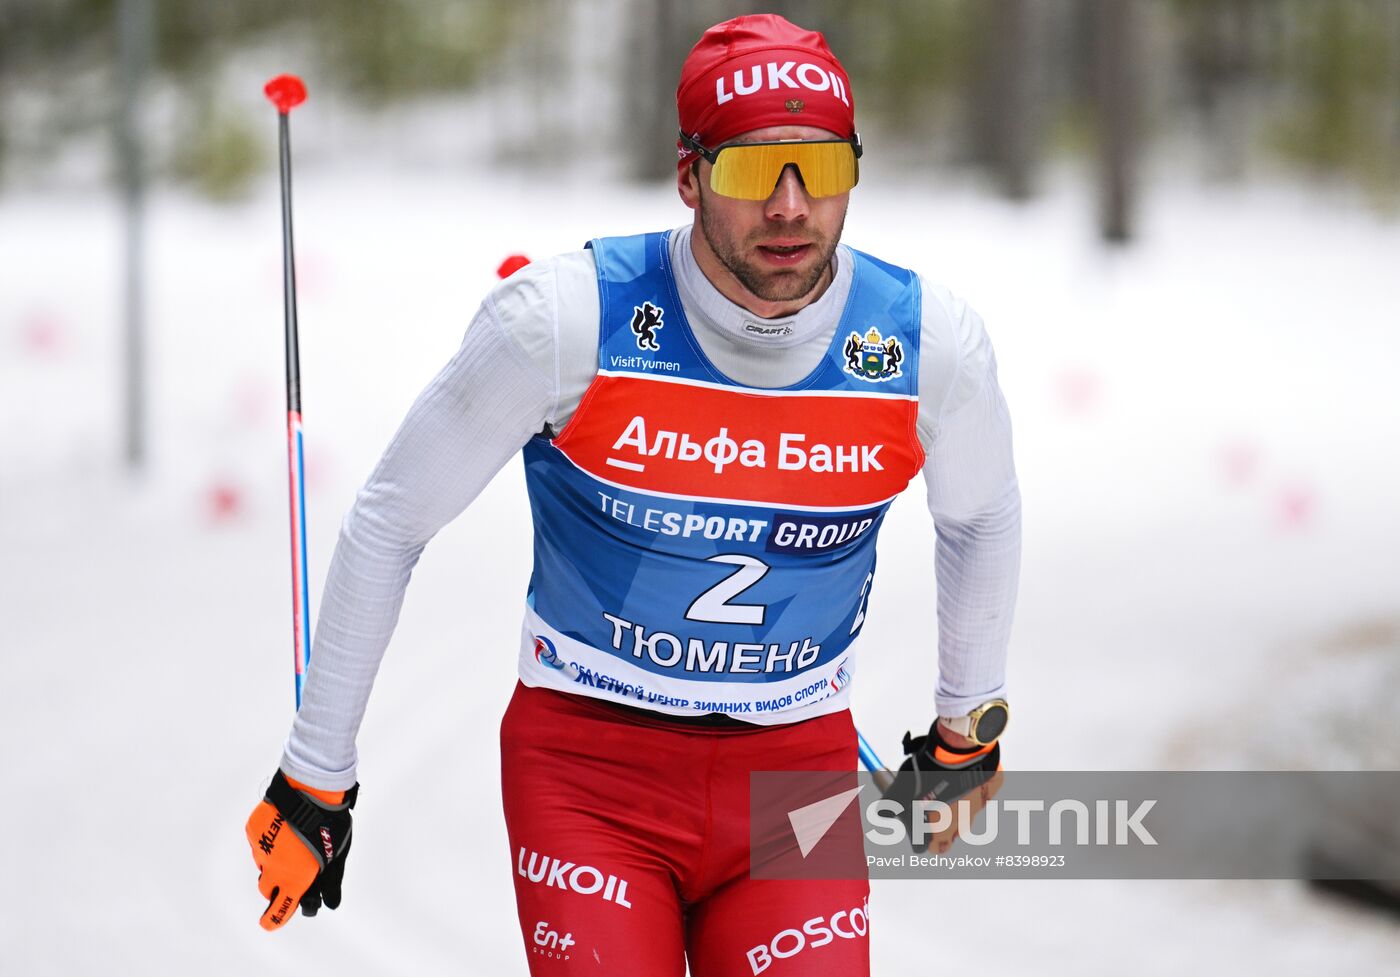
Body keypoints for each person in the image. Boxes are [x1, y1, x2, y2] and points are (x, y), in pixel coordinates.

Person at [245, 13, 1020, 976]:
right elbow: (391, 518)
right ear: (689, 174)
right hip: (589, 775)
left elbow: (980, 514)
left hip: (792, 780)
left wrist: (967, 724)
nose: (790, 207)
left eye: (820, 168)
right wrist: (316, 771)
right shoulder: (567, 319)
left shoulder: (926, 345)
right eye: (748, 171)